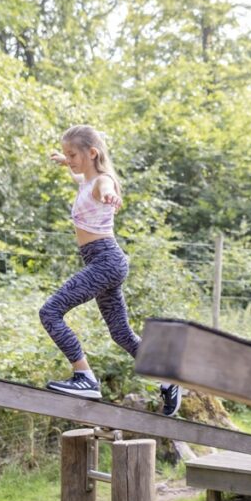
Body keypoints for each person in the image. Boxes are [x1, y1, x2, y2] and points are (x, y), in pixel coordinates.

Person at [40, 125, 181, 417]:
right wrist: (63, 160)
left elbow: (105, 187)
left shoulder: (102, 182)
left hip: (105, 261)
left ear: (92, 153)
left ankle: (85, 377)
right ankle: (168, 379)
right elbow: (79, 173)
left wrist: (110, 196)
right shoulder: (84, 179)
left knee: (49, 312)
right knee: (121, 334)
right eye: (68, 154)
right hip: (103, 263)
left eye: (73, 154)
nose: (70, 159)